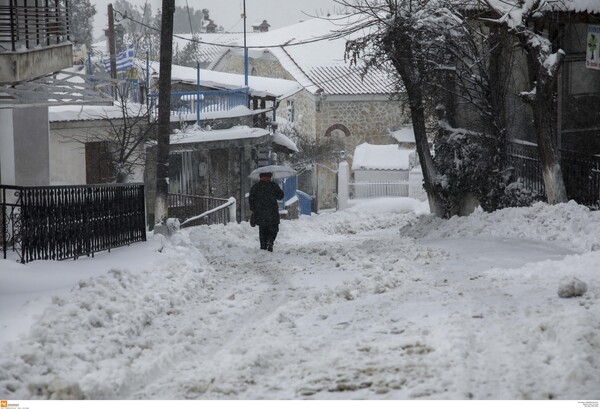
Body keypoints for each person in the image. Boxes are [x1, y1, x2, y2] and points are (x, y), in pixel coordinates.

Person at [248, 172, 284, 252]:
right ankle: (270, 241)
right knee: (274, 229)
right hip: (272, 212)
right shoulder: (273, 186)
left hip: (260, 213)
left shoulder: (256, 187)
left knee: (262, 230)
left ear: (260, 177)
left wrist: (254, 209)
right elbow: (281, 196)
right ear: (270, 177)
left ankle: (263, 246)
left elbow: (251, 200)